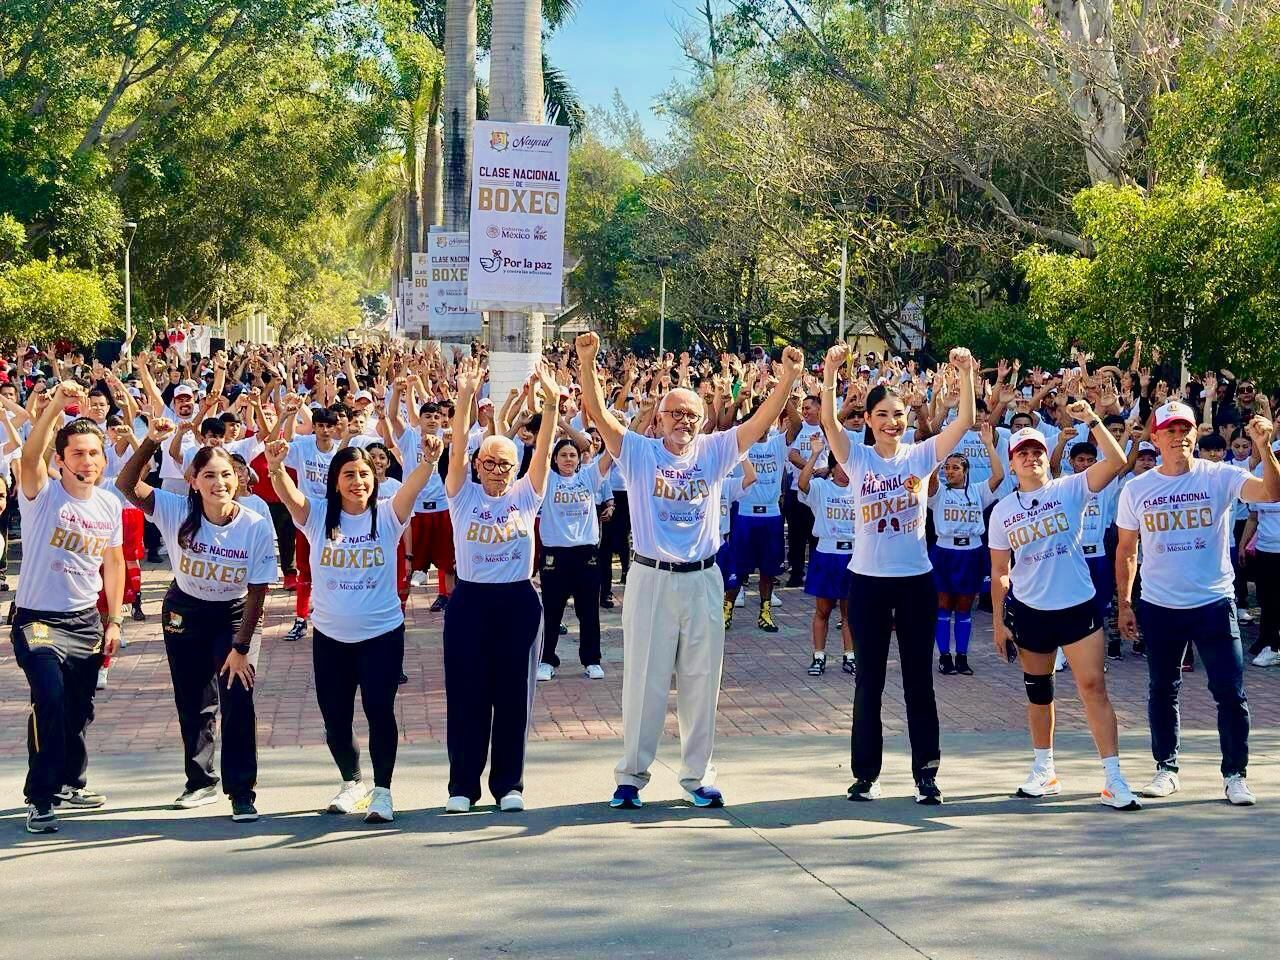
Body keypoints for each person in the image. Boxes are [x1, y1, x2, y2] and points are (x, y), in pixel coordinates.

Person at [577, 332, 806, 810]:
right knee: (644, 679)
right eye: (674, 413)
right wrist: (586, 359)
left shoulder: (715, 451)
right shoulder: (639, 452)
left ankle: (698, 777)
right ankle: (631, 776)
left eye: (691, 415)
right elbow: (598, 414)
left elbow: (761, 420)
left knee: (703, 680)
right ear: (658, 418)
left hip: (703, 576)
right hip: (650, 576)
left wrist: (786, 377)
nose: (683, 421)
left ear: (702, 422)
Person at [819, 344, 976, 805]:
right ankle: (866, 773)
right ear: (868, 419)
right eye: (883, 413)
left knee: (917, 680)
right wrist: (830, 372)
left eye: (899, 413)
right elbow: (829, 422)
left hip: (915, 582)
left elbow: (964, 422)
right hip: (866, 582)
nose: (892, 421)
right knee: (869, 679)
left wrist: (965, 373)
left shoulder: (920, 456)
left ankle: (926, 773)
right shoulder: (858, 459)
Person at [266, 429, 444, 824]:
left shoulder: (388, 515)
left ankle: (382, 791)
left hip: (382, 634)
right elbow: (289, 496)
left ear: (374, 478)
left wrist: (430, 460)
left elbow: (412, 489)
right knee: (335, 718)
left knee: (380, 711)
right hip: (330, 637)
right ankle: (352, 783)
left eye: (364, 473)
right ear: (335, 480)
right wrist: (276, 467)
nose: (358, 481)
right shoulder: (316, 515)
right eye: (349, 474)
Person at [1116, 404, 1279, 806]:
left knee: (1229, 690)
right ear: (1154, 438)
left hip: (1213, 603)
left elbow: (1271, 492)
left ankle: (1235, 775)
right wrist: (1124, 603)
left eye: (1185, 429)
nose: (1179, 437)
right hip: (1159, 605)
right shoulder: (1137, 489)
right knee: (1162, 689)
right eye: (1170, 430)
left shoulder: (1219, 476)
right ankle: (1166, 769)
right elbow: (1126, 550)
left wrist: (1265, 447)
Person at [117, 422, 275, 822]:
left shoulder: (255, 523)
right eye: (209, 475)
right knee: (194, 699)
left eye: (226, 475)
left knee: (237, 698)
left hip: (235, 615)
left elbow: (258, 592)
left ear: (237, 478)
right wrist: (151, 439)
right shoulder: (175, 509)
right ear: (193, 480)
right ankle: (200, 782)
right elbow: (126, 484)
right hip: (185, 610)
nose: (219, 482)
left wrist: (241, 648)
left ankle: (242, 791)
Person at [990, 409, 1141, 810]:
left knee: (1093, 688)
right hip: (1030, 611)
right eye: (1022, 452)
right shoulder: (1003, 511)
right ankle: (1044, 768)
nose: (1030, 457)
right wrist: (999, 623)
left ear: (1047, 455)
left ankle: (1113, 777)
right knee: (1040, 694)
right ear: (1012, 461)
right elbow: (999, 570)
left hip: (1077, 607)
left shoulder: (1070, 488)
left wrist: (1092, 418)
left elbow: (1115, 461)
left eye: (1037, 450)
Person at [442, 358, 557, 813]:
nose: (496, 470)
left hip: (518, 602)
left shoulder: (527, 494)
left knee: (514, 696)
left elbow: (544, 452)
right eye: (488, 462)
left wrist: (550, 405)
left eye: (505, 464)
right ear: (477, 464)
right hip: (470, 602)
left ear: (515, 467)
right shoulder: (461, 493)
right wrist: (466, 396)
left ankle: (509, 785)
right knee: (468, 695)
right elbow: (453, 452)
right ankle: (462, 787)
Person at [13, 382, 124, 833]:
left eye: (94, 453)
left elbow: (114, 563)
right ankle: (39, 798)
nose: (87, 461)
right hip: (37, 621)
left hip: (85, 623)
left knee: (79, 708)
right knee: (50, 700)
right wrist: (55, 406)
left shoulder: (109, 505)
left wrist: (114, 619)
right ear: (61, 460)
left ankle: (70, 783)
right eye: (77, 453)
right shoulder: (43, 494)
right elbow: (28, 456)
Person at [928, 423, 1003, 676]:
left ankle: (962, 655)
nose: (950, 471)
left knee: (964, 605)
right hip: (945, 552)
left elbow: (999, 476)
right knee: (943, 605)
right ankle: (944, 656)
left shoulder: (978, 490)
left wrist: (989, 445)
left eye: (955, 467)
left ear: (966, 471)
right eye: (947, 467)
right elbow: (929, 485)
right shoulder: (939, 492)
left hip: (971, 552)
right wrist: (938, 457)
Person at [537, 438, 613, 681]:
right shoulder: (547, 480)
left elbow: (612, 451)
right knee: (551, 611)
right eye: (563, 455)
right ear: (555, 459)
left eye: (572, 455)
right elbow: (540, 451)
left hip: (586, 554)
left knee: (589, 611)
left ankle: (592, 660)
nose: (568, 459)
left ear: (579, 458)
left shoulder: (589, 477)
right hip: (554, 555)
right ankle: (546, 660)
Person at [796, 440, 857, 676]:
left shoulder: (860, 488)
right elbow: (802, 484)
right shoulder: (822, 488)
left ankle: (850, 655)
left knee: (849, 613)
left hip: (853, 554)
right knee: (823, 610)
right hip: (827, 554)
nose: (846, 470)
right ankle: (819, 656)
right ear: (832, 469)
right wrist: (814, 455)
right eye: (841, 465)